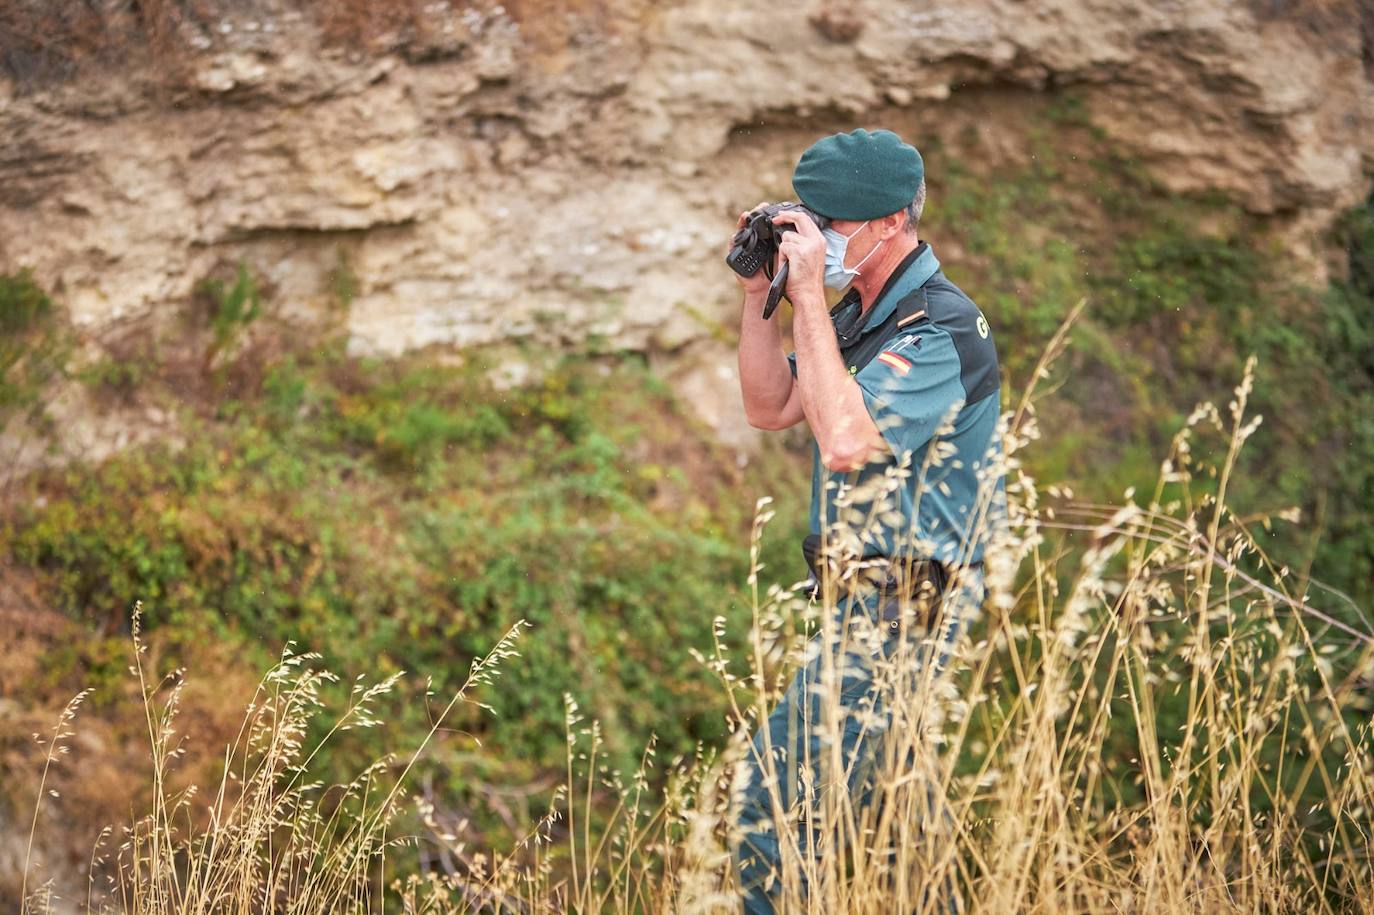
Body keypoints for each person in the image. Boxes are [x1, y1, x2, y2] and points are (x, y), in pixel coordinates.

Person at [727, 128, 1006, 913]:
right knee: (898, 843)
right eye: (805, 221)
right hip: (858, 604)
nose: (819, 241)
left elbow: (847, 441)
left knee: (770, 807)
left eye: (833, 226)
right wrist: (763, 300)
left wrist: (811, 296)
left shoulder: (940, 327)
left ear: (891, 222)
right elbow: (769, 405)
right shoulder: (858, 314)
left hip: (906, 613)